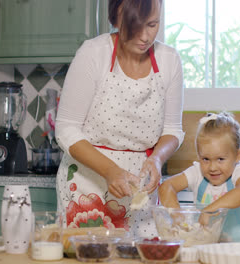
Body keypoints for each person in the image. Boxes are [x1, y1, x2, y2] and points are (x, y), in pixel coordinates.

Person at [55, 0, 184, 237]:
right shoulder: (93, 54)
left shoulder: (169, 60)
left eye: (153, 24)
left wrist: (156, 159)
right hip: (87, 185)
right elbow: (66, 129)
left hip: (141, 190)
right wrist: (110, 170)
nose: (145, 37)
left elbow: (173, 130)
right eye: (135, 26)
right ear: (115, 19)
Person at [158, 112, 240, 242]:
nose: (212, 167)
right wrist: (178, 218)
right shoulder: (197, 172)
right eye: (206, 159)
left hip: (236, 253)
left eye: (220, 159)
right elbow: (166, 186)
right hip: (204, 248)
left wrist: (210, 210)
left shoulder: (239, 171)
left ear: (238, 155)